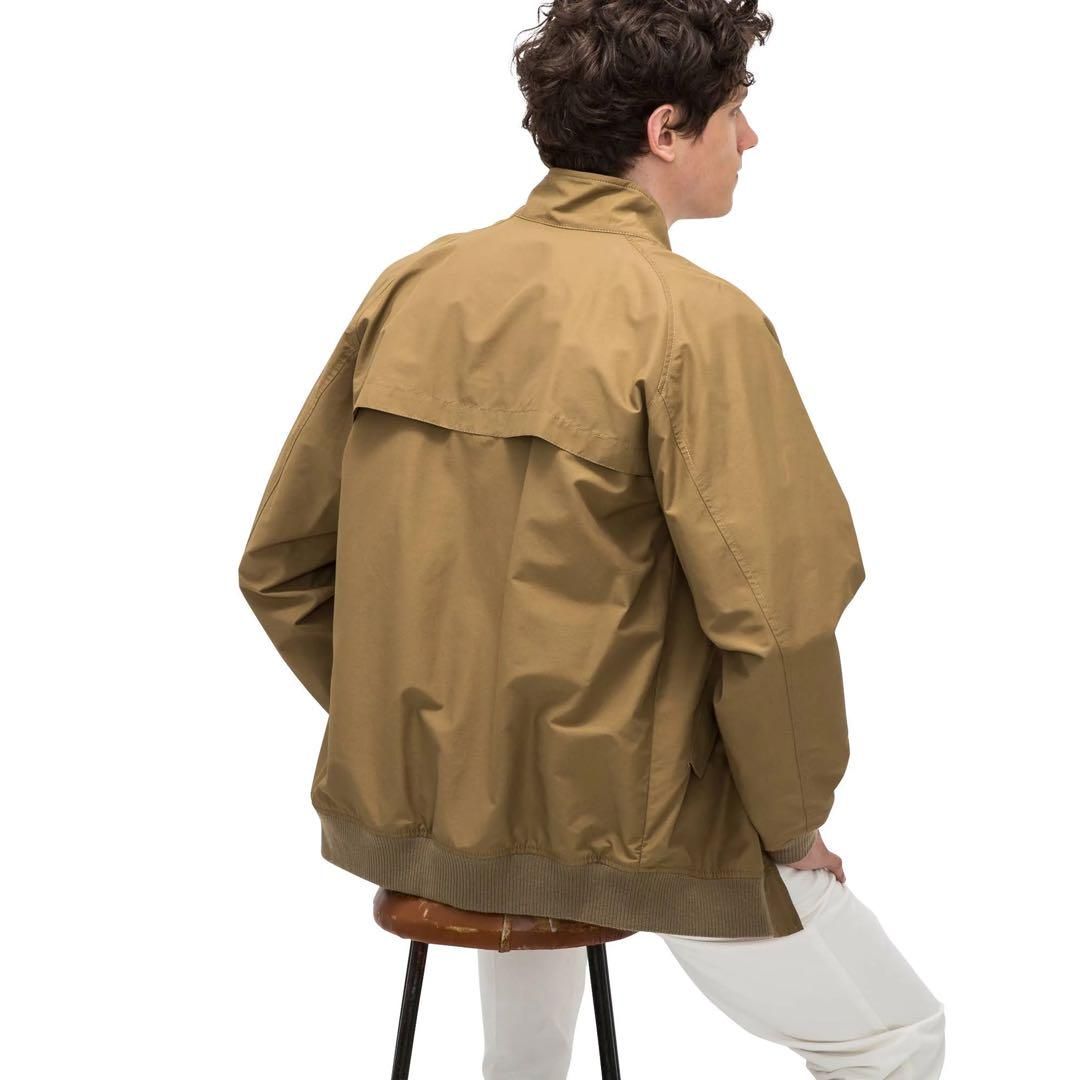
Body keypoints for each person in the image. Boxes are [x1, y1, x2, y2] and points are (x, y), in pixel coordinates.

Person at [238, 2, 945, 1076]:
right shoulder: (698, 323)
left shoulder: (415, 286)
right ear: (667, 131)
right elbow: (774, 622)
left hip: (430, 816)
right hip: (632, 817)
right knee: (898, 1034)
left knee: (526, 1015)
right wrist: (795, 830)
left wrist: (431, 739)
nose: (750, 139)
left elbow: (281, 565)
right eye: (735, 115)